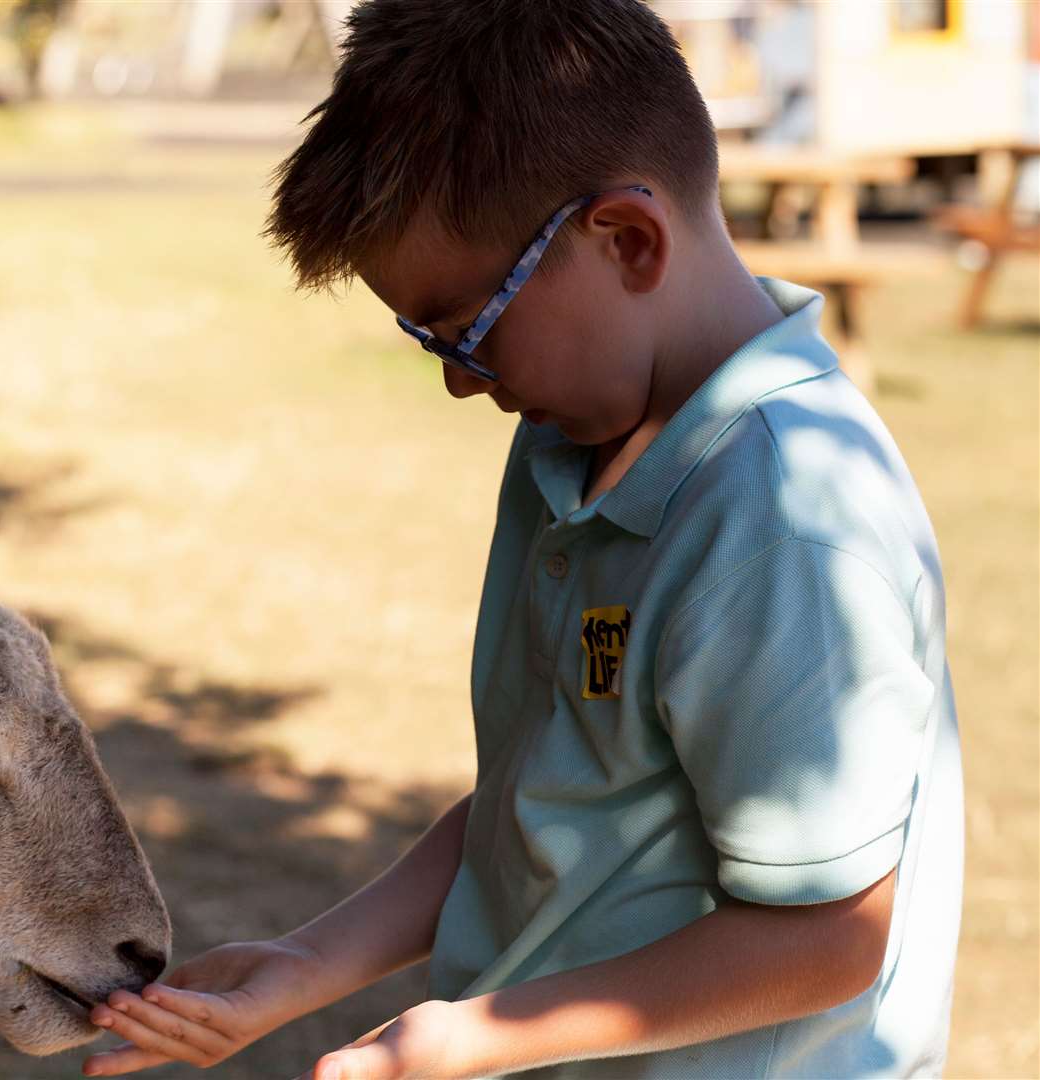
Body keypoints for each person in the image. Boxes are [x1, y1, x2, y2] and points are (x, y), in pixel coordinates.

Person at [81, 1, 963, 1077]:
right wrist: (304, 963)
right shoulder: (575, 447)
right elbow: (541, 798)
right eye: (426, 341)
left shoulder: (784, 526)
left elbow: (830, 936)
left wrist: (470, 1035)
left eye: (468, 327)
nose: (460, 378)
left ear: (627, 240)